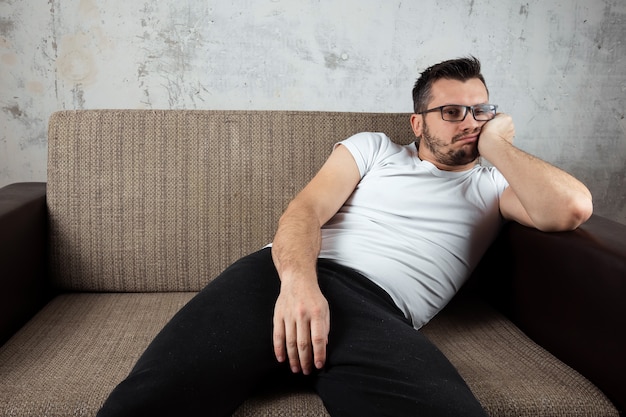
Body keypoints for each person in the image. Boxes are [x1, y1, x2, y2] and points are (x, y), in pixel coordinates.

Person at [96, 57, 593, 417]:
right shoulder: (373, 150)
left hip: (378, 311)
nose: (469, 121)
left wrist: (495, 143)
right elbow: (304, 211)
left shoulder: (496, 186)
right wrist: (298, 284)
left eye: (480, 109)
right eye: (452, 112)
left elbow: (570, 208)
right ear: (417, 122)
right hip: (278, 279)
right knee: (150, 401)